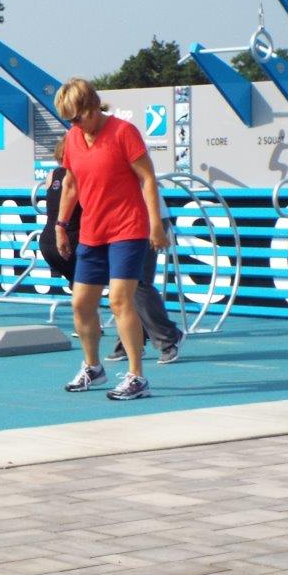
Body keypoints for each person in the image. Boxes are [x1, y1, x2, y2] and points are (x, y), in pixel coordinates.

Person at [53, 78, 167, 401]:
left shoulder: (123, 132)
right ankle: (93, 367)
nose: (74, 125)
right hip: (93, 231)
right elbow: (71, 184)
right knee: (80, 303)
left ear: (92, 106)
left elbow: (147, 178)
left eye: (77, 117)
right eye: (69, 120)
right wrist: (60, 224)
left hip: (128, 228)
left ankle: (137, 377)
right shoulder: (73, 139)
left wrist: (156, 225)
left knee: (119, 300)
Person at [104, 199, 186, 365]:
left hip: (145, 220)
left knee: (138, 283)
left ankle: (168, 337)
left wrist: (155, 225)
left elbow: (149, 188)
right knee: (124, 284)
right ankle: (132, 341)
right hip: (120, 221)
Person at [38, 136, 81, 284]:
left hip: (47, 243)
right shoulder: (79, 176)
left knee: (80, 285)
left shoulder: (52, 175)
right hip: (70, 243)